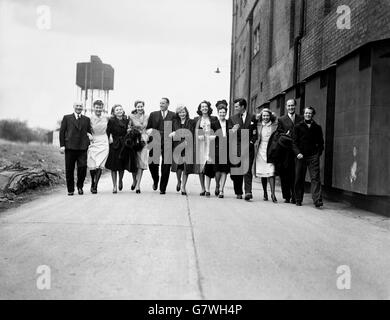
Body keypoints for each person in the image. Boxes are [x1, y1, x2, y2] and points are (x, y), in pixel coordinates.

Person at [292, 106, 324, 208]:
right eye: (306, 113)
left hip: (313, 156)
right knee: (299, 178)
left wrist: (318, 154)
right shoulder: (298, 127)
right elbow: (294, 143)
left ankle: (317, 200)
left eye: (310, 113)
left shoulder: (317, 127)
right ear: (303, 114)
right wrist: (297, 153)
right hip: (301, 156)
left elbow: (321, 143)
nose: (308, 115)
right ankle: (298, 199)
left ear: (312, 114)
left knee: (315, 178)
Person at [59, 102, 92, 196]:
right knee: (69, 169)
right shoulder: (67, 118)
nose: (79, 107)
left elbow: (89, 132)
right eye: (77, 106)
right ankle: (70, 189)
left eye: (80, 106)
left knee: (82, 168)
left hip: (82, 148)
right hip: (70, 147)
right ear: (73, 107)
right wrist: (62, 145)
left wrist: (89, 140)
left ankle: (80, 186)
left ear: (83, 108)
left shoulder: (86, 119)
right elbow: (62, 132)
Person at [146, 98, 176, 195]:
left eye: (163, 103)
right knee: (152, 164)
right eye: (160, 103)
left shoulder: (173, 115)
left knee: (166, 166)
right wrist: (149, 131)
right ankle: (156, 179)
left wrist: (174, 132)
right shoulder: (153, 114)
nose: (161, 105)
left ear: (168, 104)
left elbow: (175, 128)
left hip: (168, 142)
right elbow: (148, 128)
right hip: (155, 141)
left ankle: (163, 188)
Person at [230, 98, 258, 201]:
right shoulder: (232, 119)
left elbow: (255, 134)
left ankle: (248, 192)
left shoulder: (252, 117)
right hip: (236, 148)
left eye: (237, 106)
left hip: (248, 148)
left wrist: (250, 144)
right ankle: (238, 192)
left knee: (247, 170)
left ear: (242, 106)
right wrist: (233, 130)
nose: (235, 108)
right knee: (237, 171)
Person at [277, 99, 303, 204]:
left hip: (297, 150)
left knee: (296, 174)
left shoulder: (301, 118)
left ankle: (295, 196)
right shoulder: (281, 119)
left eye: (292, 106)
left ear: (295, 106)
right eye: (289, 106)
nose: (291, 107)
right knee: (286, 174)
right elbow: (278, 133)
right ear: (286, 107)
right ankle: (287, 196)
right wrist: (285, 135)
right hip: (286, 151)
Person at [254, 108, 279, 203]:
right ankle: (265, 192)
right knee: (263, 173)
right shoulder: (259, 125)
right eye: (264, 115)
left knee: (271, 172)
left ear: (270, 116)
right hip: (260, 150)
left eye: (267, 115)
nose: (265, 117)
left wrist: (271, 113)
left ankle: (273, 194)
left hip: (270, 150)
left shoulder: (274, 125)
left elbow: (277, 118)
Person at [194, 101, 218, 197]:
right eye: (202, 106)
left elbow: (217, 129)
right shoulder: (196, 119)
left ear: (208, 108)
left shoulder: (213, 118)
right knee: (201, 166)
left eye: (206, 106)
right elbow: (193, 131)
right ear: (200, 109)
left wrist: (214, 135)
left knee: (208, 165)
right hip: (200, 144)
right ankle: (202, 187)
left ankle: (209, 188)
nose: (204, 108)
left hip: (210, 144)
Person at [169, 105, 194, 196]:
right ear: (178, 114)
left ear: (186, 112)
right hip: (177, 146)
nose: (182, 114)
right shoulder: (175, 122)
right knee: (178, 166)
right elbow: (172, 134)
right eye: (180, 112)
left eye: (183, 112)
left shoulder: (190, 122)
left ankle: (183, 186)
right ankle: (178, 181)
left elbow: (190, 133)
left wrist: (177, 133)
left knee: (185, 167)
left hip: (187, 145)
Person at [105, 104, 130, 194]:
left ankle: (120, 180)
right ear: (114, 112)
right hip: (114, 144)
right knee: (113, 166)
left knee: (121, 166)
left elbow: (129, 131)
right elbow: (108, 132)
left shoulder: (126, 120)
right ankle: (114, 186)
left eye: (120, 109)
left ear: (123, 111)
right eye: (117, 110)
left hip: (124, 144)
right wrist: (109, 138)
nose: (119, 111)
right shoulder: (111, 121)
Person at [87, 99, 109, 194]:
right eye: (97, 107)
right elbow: (85, 129)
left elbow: (110, 129)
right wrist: (88, 135)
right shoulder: (89, 118)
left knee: (100, 164)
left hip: (104, 141)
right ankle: (92, 181)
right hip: (94, 141)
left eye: (100, 107)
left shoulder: (106, 118)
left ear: (102, 108)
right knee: (92, 164)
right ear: (94, 108)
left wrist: (110, 136)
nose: (98, 109)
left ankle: (95, 185)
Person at [129, 100, 149, 194]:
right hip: (134, 140)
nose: (140, 108)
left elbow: (149, 127)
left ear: (143, 107)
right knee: (134, 162)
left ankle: (138, 185)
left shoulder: (147, 117)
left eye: (141, 106)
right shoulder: (131, 116)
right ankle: (134, 180)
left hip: (144, 141)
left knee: (141, 163)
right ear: (135, 107)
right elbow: (128, 128)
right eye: (138, 106)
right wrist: (133, 130)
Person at [213, 100, 232, 199]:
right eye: (220, 112)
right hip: (217, 148)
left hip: (227, 148)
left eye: (224, 112)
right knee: (217, 170)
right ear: (218, 113)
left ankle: (221, 190)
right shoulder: (214, 123)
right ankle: (217, 184)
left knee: (224, 170)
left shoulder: (230, 122)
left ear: (226, 113)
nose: (222, 114)